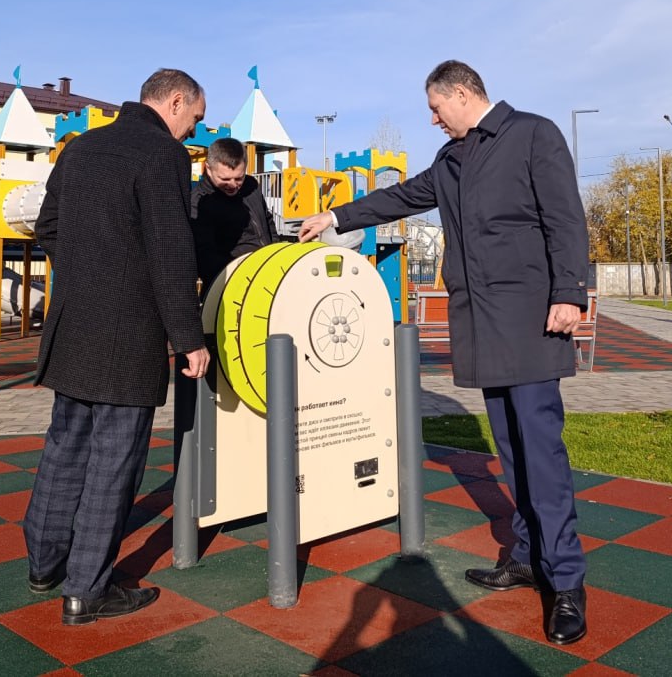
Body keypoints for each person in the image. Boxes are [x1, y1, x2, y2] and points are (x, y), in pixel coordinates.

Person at [299, 60, 590, 646]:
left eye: (436, 108)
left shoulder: (534, 134)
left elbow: (565, 218)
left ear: (462, 93)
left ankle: (566, 584)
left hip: (530, 319)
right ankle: (528, 556)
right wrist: (337, 215)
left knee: (542, 454)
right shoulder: (451, 161)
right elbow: (404, 197)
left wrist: (569, 293)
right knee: (511, 450)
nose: (432, 120)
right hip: (480, 323)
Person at [24, 68, 211, 626]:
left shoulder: (81, 147)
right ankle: (86, 591)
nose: (192, 132)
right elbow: (171, 252)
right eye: (194, 119)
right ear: (175, 102)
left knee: (64, 446)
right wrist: (187, 339)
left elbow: (47, 226)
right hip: (128, 332)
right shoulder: (163, 156)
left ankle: (43, 563)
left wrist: (89, 270)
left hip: (74, 323)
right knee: (114, 460)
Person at [190, 137, 278, 292]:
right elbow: (206, 257)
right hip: (231, 285)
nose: (232, 185)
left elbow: (268, 221)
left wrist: (276, 252)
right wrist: (243, 272)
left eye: (239, 178)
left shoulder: (251, 186)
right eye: (224, 179)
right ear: (208, 169)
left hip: (267, 273)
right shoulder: (199, 202)